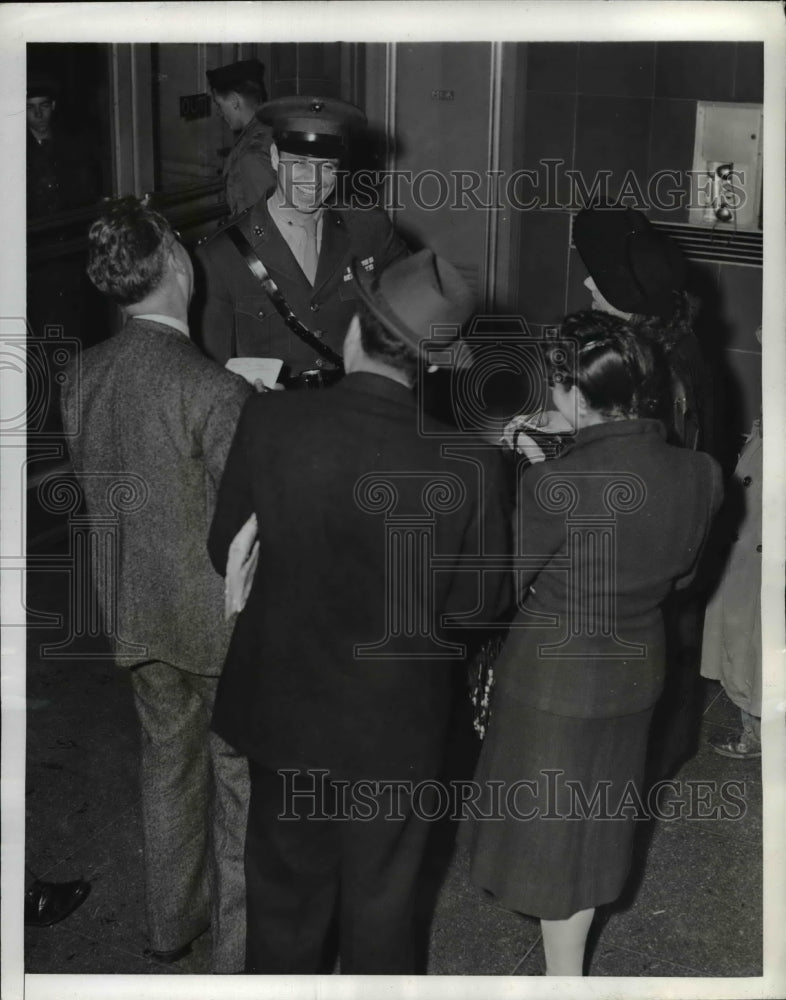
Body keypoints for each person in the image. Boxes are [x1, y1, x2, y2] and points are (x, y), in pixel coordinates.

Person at [207, 250, 511, 974]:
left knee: (283, 905)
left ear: (354, 330)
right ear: (432, 365)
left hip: (286, 713)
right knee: (383, 907)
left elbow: (228, 549)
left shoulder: (273, 420)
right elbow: (479, 605)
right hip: (394, 727)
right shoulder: (470, 463)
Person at [465, 310, 723, 975]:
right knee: (591, 838)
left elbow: (497, 592)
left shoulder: (553, 485)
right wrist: (562, 455)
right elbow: (684, 575)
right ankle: (567, 973)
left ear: (578, 397)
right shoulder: (700, 473)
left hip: (552, 689)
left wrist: (523, 481)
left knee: (550, 849)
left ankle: (561, 982)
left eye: (558, 391)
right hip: (635, 677)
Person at [60, 198, 253, 973]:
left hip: (134, 612)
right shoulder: (214, 391)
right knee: (239, 788)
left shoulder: (83, 372)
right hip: (217, 625)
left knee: (167, 763)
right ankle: (238, 962)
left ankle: (170, 927)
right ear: (177, 261)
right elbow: (245, 524)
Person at [192, 95, 409, 384]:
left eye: (327, 166)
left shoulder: (368, 229)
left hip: (350, 407)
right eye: (300, 163)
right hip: (273, 420)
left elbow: (414, 308)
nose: (314, 180)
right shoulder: (220, 256)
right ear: (274, 157)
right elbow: (209, 376)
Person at [503, 205, 713, 455]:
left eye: (602, 279)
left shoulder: (668, 369)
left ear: (632, 295)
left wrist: (534, 454)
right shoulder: (663, 341)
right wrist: (563, 421)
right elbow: (623, 423)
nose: (588, 282)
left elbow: (641, 473)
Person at [700, 413, 762, 758]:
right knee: (743, 647)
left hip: (759, 569)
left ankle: (756, 736)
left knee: (754, 649)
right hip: (743, 563)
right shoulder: (761, 436)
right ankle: (753, 729)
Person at [206, 58, 276, 217]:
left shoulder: (251, 156)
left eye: (219, 104)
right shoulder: (271, 129)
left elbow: (264, 224)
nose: (219, 113)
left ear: (234, 101)